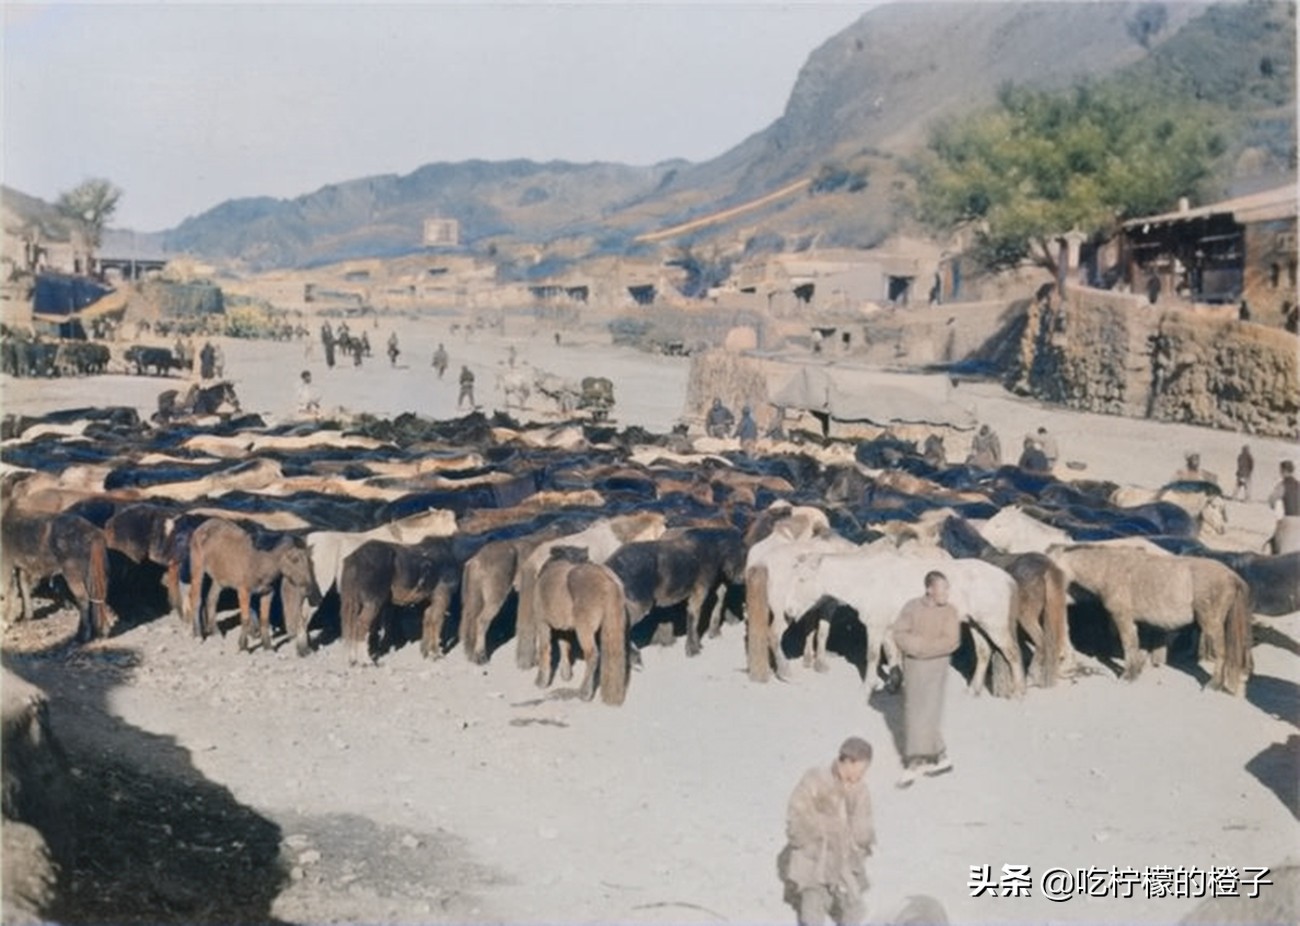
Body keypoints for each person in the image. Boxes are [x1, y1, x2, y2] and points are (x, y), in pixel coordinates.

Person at [783, 737, 875, 926]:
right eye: (862, 769)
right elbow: (796, 815)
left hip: (844, 862)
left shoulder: (860, 789)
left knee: (855, 909)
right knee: (812, 910)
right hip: (816, 860)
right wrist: (813, 840)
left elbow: (862, 831)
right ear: (849, 762)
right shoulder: (815, 779)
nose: (863, 775)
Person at [892, 571, 962, 788]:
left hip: (936, 668)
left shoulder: (950, 612)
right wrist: (917, 648)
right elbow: (899, 633)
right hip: (913, 667)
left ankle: (912, 765)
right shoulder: (912, 607)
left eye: (948, 588)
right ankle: (941, 757)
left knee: (926, 713)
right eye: (943, 589)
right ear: (930, 589)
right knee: (915, 709)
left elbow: (951, 641)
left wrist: (922, 648)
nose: (947, 593)